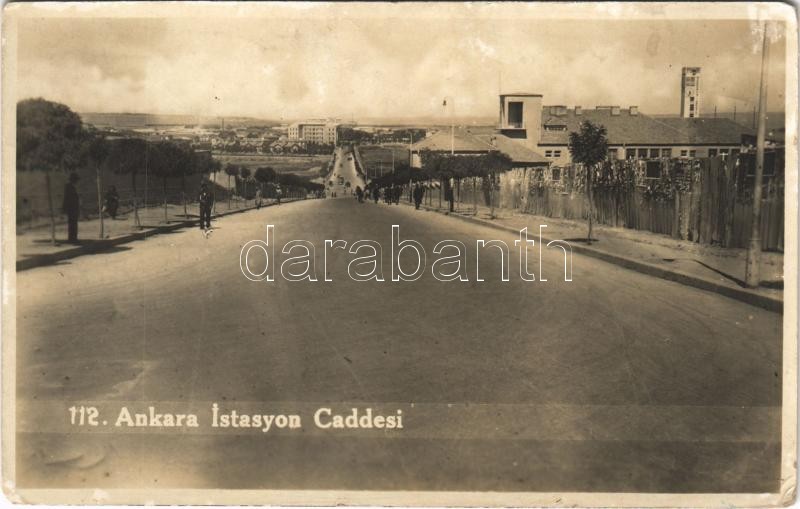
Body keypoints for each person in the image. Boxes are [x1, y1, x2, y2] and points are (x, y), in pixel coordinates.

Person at [62, 172, 80, 243]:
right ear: (73, 180)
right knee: (72, 223)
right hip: (71, 208)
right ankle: (72, 238)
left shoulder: (72, 186)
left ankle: (73, 238)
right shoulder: (68, 186)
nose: (76, 181)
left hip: (74, 208)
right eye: (76, 180)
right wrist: (65, 208)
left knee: (73, 223)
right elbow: (67, 198)